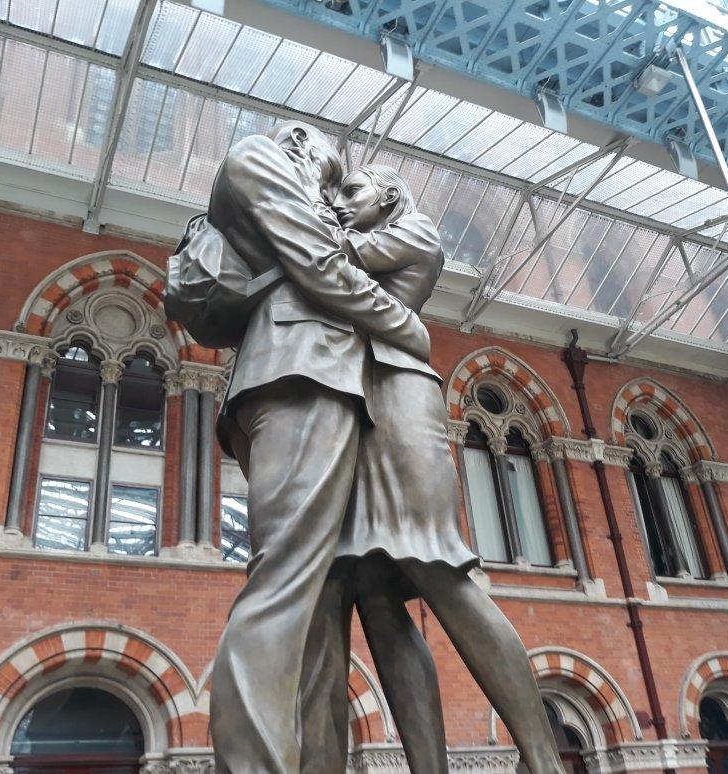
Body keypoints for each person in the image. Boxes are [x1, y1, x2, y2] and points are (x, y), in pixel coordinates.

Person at [300, 165, 563, 774]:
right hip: (342, 397)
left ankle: (544, 760)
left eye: (351, 191)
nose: (338, 203)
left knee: (435, 563)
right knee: (360, 589)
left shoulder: (414, 231)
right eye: (333, 195)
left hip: (396, 392)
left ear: (388, 196)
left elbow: (327, 257)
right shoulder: (367, 234)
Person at [202, 123, 434, 774]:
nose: (330, 196)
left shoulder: (287, 190)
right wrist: (407, 330)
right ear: (304, 146)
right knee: (284, 585)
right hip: (303, 373)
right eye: (330, 179)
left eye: (340, 189)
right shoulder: (260, 158)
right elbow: (320, 265)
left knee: (319, 604)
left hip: (304, 379)